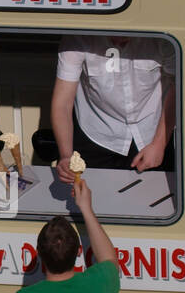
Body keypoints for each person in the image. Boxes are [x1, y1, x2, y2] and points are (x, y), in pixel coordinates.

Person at [51, 33, 177, 183]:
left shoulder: (163, 38)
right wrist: (66, 156)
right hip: (96, 134)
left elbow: (179, 87)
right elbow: (62, 103)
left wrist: (159, 144)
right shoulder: (77, 39)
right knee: (90, 198)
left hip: (152, 132)